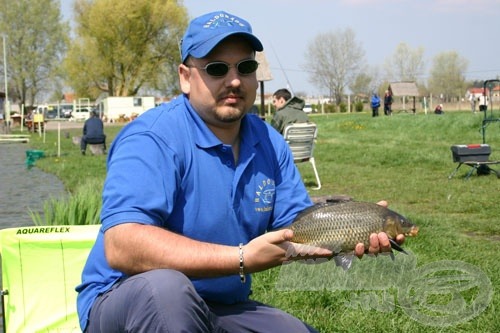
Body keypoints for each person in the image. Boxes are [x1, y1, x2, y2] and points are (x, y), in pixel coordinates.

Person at [76, 10, 404, 333]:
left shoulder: (270, 143)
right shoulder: (152, 139)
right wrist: (242, 258)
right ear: (185, 78)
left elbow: (298, 235)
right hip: (126, 302)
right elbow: (122, 244)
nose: (234, 80)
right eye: (217, 69)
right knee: (167, 292)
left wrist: (354, 233)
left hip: (222, 306)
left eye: (245, 67)